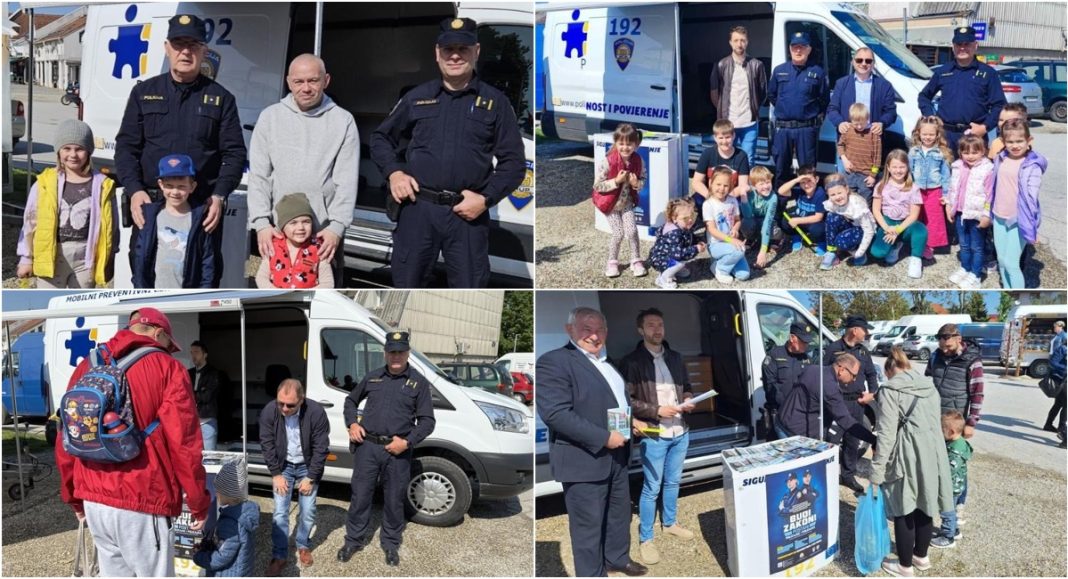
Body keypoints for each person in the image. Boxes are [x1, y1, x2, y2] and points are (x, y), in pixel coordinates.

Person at [370, 17, 525, 288]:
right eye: (448, 50)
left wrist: (486, 199)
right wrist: (394, 173)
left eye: (463, 49)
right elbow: (381, 137)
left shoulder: (496, 103)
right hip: (419, 210)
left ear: (476, 52)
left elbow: (513, 163)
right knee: (408, 284)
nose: (455, 56)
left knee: (470, 288)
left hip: (467, 216)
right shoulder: (417, 97)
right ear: (437, 54)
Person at [56, 308, 210, 577]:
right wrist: (198, 504)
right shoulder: (169, 368)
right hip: (142, 497)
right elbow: (184, 444)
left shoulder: (87, 364)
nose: (169, 350)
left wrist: (73, 497)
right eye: (168, 344)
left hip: (94, 498)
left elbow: (67, 435)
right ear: (158, 333)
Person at [114, 14, 246, 284]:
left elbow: (235, 155)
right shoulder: (143, 93)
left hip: (200, 208)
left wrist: (219, 196)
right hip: (151, 205)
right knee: (145, 271)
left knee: (202, 274)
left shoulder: (221, 99)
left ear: (204, 50)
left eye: (193, 45)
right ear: (167, 48)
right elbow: (126, 148)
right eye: (178, 44)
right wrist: (135, 190)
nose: (185, 51)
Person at [536, 308, 648, 577]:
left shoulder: (608, 364)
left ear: (607, 333)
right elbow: (556, 414)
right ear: (570, 330)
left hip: (617, 456)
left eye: (600, 330)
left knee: (619, 515)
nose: (594, 335)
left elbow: (613, 405)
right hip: (583, 459)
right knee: (588, 526)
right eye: (586, 329)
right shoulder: (554, 361)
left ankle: (617, 559)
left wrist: (631, 421)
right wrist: (603, 437)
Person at [248, 54, 358, 284]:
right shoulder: (270, 117)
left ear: (326, 80)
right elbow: (259, 176)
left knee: (324, 295)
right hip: (274, 233)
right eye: (299, 81)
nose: (306, 88)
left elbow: (346, 181)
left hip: (323, 235)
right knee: (264, 290)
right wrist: (261, 224)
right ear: (289, 82)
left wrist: (336, 227)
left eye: (313, 81)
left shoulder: (343, 121)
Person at [340, 332, 436, 567]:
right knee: (360, 496)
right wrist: (352, 423)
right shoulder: (373, 378)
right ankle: (353, 540)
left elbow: (427, 421)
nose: (396, 356)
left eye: (400, 351)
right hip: (368, 448)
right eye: (392, 351)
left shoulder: (418, 382)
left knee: (394, 500)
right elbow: (350, 401)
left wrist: (407, 441)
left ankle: (391, 544)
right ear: (385, 353)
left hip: (398, 451)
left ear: (407, 353)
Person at [620, 308, 696, 566]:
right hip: (655, 433)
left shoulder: (675, 357)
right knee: (651, 488)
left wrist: (687, 398)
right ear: (641, 330)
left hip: (680, 431)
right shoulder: (631, 362)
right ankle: (646, 539)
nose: (657, 329)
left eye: (660, 324)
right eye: (651, 325)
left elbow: (686, 386)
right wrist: (656, 410)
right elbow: (626, 401)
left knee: (673, 482)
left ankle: (670, 523)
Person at [870, 348, 953, 577]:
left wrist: (876, 470)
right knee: (926, 503)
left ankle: (905, 566)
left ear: (890, 369)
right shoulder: (929, 385)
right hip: (933, 450)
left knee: (903, 506)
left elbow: (886, 435)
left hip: (907, 452)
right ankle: (921, 556)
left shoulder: (890, 389)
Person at [16, 119, 116, 288]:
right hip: (52, 256)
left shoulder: (103, 185)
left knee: (80, 303)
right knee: (51, 303)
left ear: (89, 151)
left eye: (79, 149)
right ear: (58, 151)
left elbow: (111, 227)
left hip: (86, 259)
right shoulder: (45, 183)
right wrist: (26, 258)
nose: (73, 155)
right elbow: (30, 222)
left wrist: (110, 257)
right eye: (67, 148)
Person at [259, 379, 331, 575]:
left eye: (290, 405)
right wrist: (276, 473)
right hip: (283, 467)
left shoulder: (316, 413)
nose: (284, 408)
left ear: (302, 400)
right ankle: (280, 555)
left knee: (307, 511)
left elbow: (321, 448)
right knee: (280, 513)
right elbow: (267, 443)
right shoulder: (269, 411)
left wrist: (311, 477)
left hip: (306, 467)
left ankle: (302, 545)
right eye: (280, 403)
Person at [918, 25, 1006, 153]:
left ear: (975, 45)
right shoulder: (943, 72)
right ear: (953, 46)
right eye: (959, 44)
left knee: (975, 173)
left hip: (974, 137)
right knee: (945, 171)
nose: (962, 48)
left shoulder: (988, 73)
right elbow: (924, 96)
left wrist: (984, 127)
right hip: (945, 137)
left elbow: (999, 105)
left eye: (967, 44)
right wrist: (931, 117)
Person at [132, 154, 215, 288]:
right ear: (161, 185)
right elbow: (140, 257)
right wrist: (140, 287)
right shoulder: (151, 216)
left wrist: (204, 291)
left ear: (192, 187)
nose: (175, 192)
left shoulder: (199, 219)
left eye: (181, 186)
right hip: (155, 292)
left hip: (187, 296)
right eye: (169, 186)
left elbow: (207, 261)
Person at [823, 315, 880, 493]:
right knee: (830, 441)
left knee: (852, 442)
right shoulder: (833, 349)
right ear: (854, 330)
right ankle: (826, 476)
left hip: (857, 403)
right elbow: (823, 374)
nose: (867, 334)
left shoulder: (863, 351)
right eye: (865, 330)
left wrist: (872, 393)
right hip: (837, 403)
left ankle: (848, 476)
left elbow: (871, 374)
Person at [776, 353, 877, 452]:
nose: (854, 379)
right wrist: (874, 440)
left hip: (783, 421)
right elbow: (846, 421)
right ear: (841, 370)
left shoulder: (813, 369)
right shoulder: (829, 387)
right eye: (853, 375)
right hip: (795, 434)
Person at [990, 118, 1047, 289]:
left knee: (1011, 263)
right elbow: (992, 186)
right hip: (998, 216)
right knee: (1001, 260)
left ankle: (1018, 299)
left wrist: (1031, 227)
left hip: (1019, 220)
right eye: (1010, 141)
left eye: (1019, 141)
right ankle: (1007, 291)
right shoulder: (1000, 158)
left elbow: (1031, 198)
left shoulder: (1032, 166)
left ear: (1029, 141)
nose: (1015, 145)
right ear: (1003, 142)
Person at [767, 31, 828, 187]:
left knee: (807, 170)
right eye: (795, 47)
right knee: (781, 168)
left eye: (802, 47)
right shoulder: (779, 70)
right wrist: (785, 109)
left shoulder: (817, 72)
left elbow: (824, 100)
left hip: (806, 129)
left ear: (809, 49)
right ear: (790, 49)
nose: (798, 51)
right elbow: (772, 95)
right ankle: (780, 205)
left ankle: (807, 203)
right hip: (783, 129)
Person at [593, 123, 647, 278]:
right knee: (618, 233)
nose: (625, 147)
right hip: (610, 204)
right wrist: (616, 181)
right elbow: (597, 186)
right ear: (615, 143)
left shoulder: (638, 160)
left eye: (629, 144)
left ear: (636, 144)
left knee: (632, 231)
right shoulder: (608, 161)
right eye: (621, 143)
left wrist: (637, 184)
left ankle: (636, 260)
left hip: (626, 203)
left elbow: (643, 178)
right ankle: (612, 262)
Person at [708, 25, 767, 165]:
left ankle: (744, 187)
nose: (739, 44)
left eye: (742, 40)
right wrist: (722, 109)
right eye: (736, 40)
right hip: (728, 122)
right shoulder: (721, 65)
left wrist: (753, 108)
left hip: (749, 122)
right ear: (730, 42)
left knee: (748, 160)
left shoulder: (757, 65)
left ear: (747, 42)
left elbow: (763, 92)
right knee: (726, 160)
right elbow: (714, 92)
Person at [826, 46, 898, 157]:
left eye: (868, 61)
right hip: (847, 141)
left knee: (870, 174)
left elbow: (891, 112)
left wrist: (882, 123)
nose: (863, 64)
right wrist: (839, 122)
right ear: (853, 62)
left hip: (871, 142)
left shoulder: (884, 86)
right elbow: (832, 109)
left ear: (873, 64)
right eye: (859, 60)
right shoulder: (841, 84)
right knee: (845, 174)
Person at [193, 458, 259, 577]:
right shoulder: (245, 514)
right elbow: (228, 547)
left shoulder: (230, 523)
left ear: (229, 494)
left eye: (218, 490)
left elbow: (221, 557)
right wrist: (206, 547)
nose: (216, 493)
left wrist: (199, 556)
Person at [255, 193, 336, 288]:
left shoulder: (319, 249)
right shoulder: (273, 247)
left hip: (306, 300)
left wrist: (306, 295)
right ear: (283, 227)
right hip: (278, 298)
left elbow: (328, 284)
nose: (301, 227)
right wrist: (274, 292)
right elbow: (261, 278)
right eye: (293, 223)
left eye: (306, 222)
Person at [869, 150, 928, 278]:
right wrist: (887, 228)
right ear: (888, 168)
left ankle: (915, 260)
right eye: (894, 167)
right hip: (888, 223)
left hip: (905, 224)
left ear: (907, 167)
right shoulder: (880, 186)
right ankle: (895, 245)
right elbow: (876, 211)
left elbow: (913, 215)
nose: (898, 170)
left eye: (902, 167)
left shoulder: (914, 188)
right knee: (877, 253)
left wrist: (898, 230)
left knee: (921, 229)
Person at [946, 135, 994, 289]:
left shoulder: (987, 169)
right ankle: (965, 268)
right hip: (960, 213)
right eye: (966, 152)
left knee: (977, 246)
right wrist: (949, 206)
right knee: (964, 245)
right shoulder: (958, 166)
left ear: (983, 152)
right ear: (960, 153)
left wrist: (987, 215)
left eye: (975, 152)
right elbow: (952, 189)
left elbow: (990, 196)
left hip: (976, 215)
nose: (970, 156)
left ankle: (976, 274)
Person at [908, 116, 954, 264]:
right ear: (919, 134)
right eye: (924, 134)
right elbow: (909, 170)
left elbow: (946, 176)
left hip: (935, 191)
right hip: (917, 190)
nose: (928, 137)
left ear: (937, 135)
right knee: (916, 218)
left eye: (931, 134)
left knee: (933, 219)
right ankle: (915, 243)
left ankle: (929, 246)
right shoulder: (914, 151)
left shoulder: (941, 153)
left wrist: (946, 195)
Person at [761, 321, 815, 441]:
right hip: (780, 415)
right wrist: (790, 406)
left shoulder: (807, 360)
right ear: (792, 338)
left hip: (801, 416)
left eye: (807, 342)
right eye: (803, 341)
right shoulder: (774, 356)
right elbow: (770, 387)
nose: (806, 345)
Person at [931, 411, 971, 549]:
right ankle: (954, 530)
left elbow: (949, 470)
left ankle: (948, 536)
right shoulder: (960, 442)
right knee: (951, 509)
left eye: (942, 431)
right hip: (958, 484)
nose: (940, 434)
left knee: (946, 510)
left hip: (951, 487)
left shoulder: (955, 450)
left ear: (952, 431)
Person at [820, 173, 876, 271]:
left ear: (846, 189)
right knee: (831, 216)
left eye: (839, 193)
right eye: (832, 194)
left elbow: (869, 231)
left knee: (840, 241)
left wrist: (859, 252)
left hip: (862, 230)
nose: (837, 197)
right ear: (828, 195)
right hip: (850, 225)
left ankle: (856, 252)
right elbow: (832, 222)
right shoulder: (832, 203)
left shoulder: (857, 205)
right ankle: (831, 252)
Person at [703, 166, 750, 285]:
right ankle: (720, 269)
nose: (721, 189)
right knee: (740, 250)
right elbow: (712, 230)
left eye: (725, 185)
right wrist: (731, 240)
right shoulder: (708, 204)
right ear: (711, 183)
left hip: (730, 242)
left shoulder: (733, 200)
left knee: (744, 275)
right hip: (715, 245)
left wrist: (735, 228)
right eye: (718, 184)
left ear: (730, 187)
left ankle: (720, 261)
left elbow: (738, 220)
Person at [648, 198, 705, 289]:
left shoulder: (680, 226)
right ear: (674, 218)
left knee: (680, 261)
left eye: (692, 216)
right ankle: (663, 278)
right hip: (661, 259)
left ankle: (675, 270)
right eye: (686, 218)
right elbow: (678, 254)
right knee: (679, 262)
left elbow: (689, 237)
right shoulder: (674, 233)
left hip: (666, 255)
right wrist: (696, 248)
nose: (690, 220)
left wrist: (698, 241)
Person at [692, 120, 751, 204]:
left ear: (733, 136)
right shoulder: (707, 153)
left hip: (731, 195)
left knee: (741, 203)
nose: (724, 141)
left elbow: (743, 185)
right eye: (721, 138)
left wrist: (726, 198)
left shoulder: (741, 156)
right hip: (710, 194)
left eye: (727, 137)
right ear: (715, 138)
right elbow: (696, 182)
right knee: (693, 203)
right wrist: (709, 196)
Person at [836, 103, 882, 204]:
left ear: (867, 119)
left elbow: (877, 159)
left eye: (862, 123)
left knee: (865, 202)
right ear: (851, 120)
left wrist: (873, 175)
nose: (860, 126)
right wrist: (844, 159)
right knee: (849, 200)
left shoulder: (874, 135)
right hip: (850, 173)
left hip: (866, 176)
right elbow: (840, 145)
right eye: (856, 124)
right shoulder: (848, 131)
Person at [776, 164, 827, 254]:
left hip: (814, 223)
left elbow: (818, 217)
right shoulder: (800, 190)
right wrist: (796, 180)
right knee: (784, 221)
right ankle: (796, 236)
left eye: (809, 181)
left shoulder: (820, 193)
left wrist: (798, 220)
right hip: (800, 221)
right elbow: (781, 191)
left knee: (817, 229)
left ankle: (822, 242)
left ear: (817, 179)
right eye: (803, 182)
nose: (806, 185)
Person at [188, 340, 226, 451]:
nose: (193, 355)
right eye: (192, 352)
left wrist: (192, 394)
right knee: (192, 455)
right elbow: (182, 393)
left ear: (205, 355)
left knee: (209, 456)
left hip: (207, 421)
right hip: (191, 421)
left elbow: (207, 396)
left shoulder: (214, 373)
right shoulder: (188, 373)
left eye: (196, 352)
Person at [739, 165, 780, 268]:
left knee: (774, 229)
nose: (766, 186)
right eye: (761, 184)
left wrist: (763, 251)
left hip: (767, 222)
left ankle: (773, 240)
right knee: (746, 222)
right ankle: (751, 238)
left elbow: (767, 222)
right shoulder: (751, 194)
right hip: (754, 220)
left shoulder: (773, 197)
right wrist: (743, 198)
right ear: (753, 185)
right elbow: (747, 215)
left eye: (768, 182)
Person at [1043, 329, 1066, 435]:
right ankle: (1062, 430)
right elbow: (1053, 362)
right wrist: (1065, 369)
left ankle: (1048, 424)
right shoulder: (1062, 349)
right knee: (1065, 405)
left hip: (1064, 380)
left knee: (1058, 404)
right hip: (1060, 380)